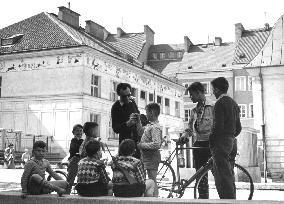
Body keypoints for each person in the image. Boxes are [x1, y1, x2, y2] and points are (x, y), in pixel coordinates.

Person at [177, 82, 214, 199]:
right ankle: (203, 198)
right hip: (198, 145)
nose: (190, 97)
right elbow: (189, 129)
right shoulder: (193, 111)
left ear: (199, 92)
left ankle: (225, 199)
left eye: (192, 95)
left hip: (212, 145)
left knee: (217, 173)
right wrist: (184, 136)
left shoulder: (213, 107)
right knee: (200, 175)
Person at [210, 77, 242, 199]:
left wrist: (212, 141)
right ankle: (232, 199)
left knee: (222, 176)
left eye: (213, 89)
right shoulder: (234, 103)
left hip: (221, 143)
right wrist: (231, 136)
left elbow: (217, 126)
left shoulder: (219, 103)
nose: (213, 92)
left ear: (217, 89)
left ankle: (227, 201)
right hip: (232, 142)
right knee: (229, 173)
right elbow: (239, 127)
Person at [136, 103, 162, 197]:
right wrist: (138, 120)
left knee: (152, 180)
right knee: (149, 180)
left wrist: (141, 145)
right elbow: (139, 131)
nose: (146, 114)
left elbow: (156, 144)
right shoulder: (149, 125)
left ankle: (155, 199)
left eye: (146, 112)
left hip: (152, 157)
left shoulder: (155, 127)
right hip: (146, 157)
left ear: (151, 112)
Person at [111, 83, 140, 159]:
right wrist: (127, 124)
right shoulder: (116, 107)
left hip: (136, 140)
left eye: (129, 95)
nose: (127, 98)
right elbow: (115, 128)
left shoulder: (132, 102)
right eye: (124, 96)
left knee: (137, 166)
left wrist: (138, 117)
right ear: (119, 95)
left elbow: (138, 114)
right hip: (125, 144)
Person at [66, 124, 84, 194]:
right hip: (74, 160)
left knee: (81, 178)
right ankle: (66, 193)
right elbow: (75, 149)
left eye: (80, 131)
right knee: (70, 179)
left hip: (80, 160)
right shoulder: (73, 141)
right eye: (77, 131)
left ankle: (80, 192)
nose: (79, 132)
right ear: (73, 132)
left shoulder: (82, 140)